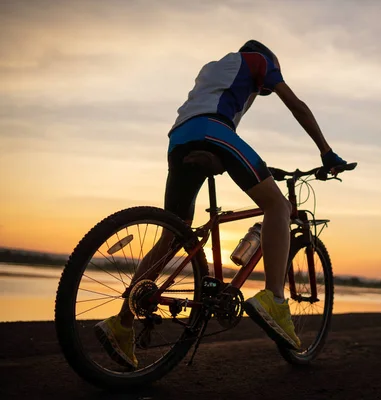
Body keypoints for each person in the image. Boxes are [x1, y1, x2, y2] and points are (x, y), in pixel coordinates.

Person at [94, 40, 347, 369]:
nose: (261, 93)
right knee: (279, 207)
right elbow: (296, 105)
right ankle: (274, 298)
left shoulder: (213, 69)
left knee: (174, 234)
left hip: (180, 138)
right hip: (215, 131)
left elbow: (212, 119)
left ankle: (121, 322)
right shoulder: (259, 60)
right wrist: (326, 152)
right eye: (264, 89)